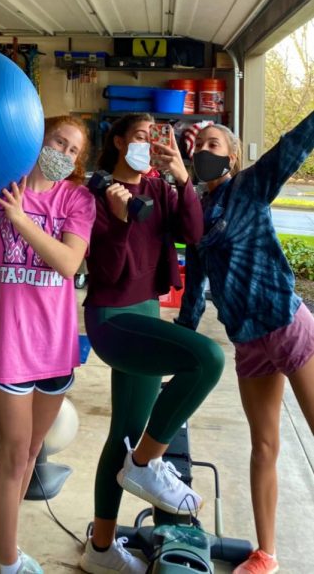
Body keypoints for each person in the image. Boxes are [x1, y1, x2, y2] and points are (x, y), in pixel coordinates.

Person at [80, 112, 226, 574]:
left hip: (146, 309)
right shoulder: (98, 194)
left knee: (123, 433)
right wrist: (121, 218)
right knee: (206, 358)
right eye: (140, 136)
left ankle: (100, 550)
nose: (147, 143)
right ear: (120, 142)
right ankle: (145, 463)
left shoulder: (161, 188)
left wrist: (183, 178)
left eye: (154, 136)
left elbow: (193, 234)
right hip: (112, 317)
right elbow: (105, 273)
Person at [0, 115, 96, 574]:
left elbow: (69, 262)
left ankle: (0, 541)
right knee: (13, 457)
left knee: (32, 453)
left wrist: (21, 219)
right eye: (59, 141)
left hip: (56, 347)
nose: (64, 154)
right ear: (38, 139)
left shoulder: (76, 198)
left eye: (74, 151)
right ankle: (9, 562)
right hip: (9, 346)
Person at [177, 110, 314, 574]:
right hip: (249, 344)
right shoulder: (195, 216)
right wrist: (181, 350)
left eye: (216, 146)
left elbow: (294, 146)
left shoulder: (250, 187)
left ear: (233, 157)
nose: (205, 154)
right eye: (201, 147)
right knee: (264, 448)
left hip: (287, 325)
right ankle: (266, 554)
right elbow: (193, 292)